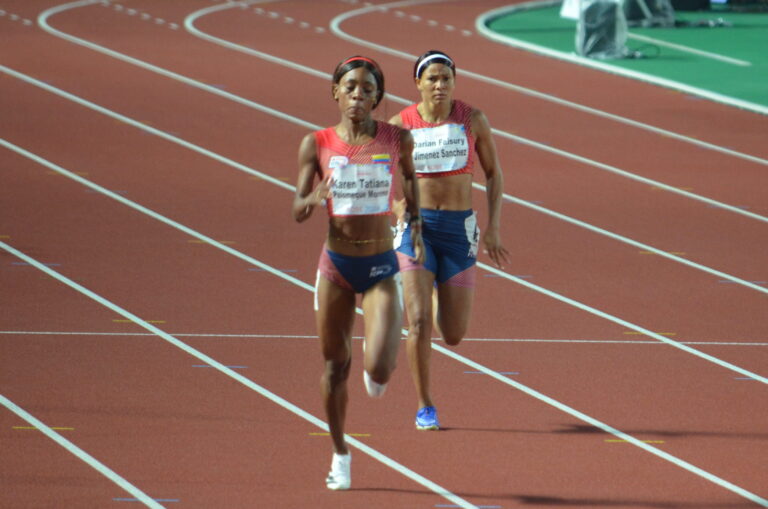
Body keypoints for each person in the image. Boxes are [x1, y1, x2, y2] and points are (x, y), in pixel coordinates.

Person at [293, 56, 424, 490]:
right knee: (334, 367)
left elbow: (410, 180)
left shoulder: (396, 138)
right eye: (350, 87)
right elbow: (296, 209)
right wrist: (311, 200)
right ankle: (340, 453)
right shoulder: (316, 143)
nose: (358, 96)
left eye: (367, 90)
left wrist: (415, 219)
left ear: (377, 97)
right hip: (336, 267)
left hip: (381, 265)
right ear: (335, 91)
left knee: (381, 373)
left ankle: (377, 365)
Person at [390, 50, 509, 431]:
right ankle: (425, 405)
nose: (440, 85)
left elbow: (494, 175)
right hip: (417, 231)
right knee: (421, 321)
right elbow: (380, 179)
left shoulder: (472, 120)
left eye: (447, 78)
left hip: (459, 230)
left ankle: (438, 288)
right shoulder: (400, 125)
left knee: (454, 335)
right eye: (433, 79)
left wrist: (492, 227)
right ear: (418, 83)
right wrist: (395, 209)